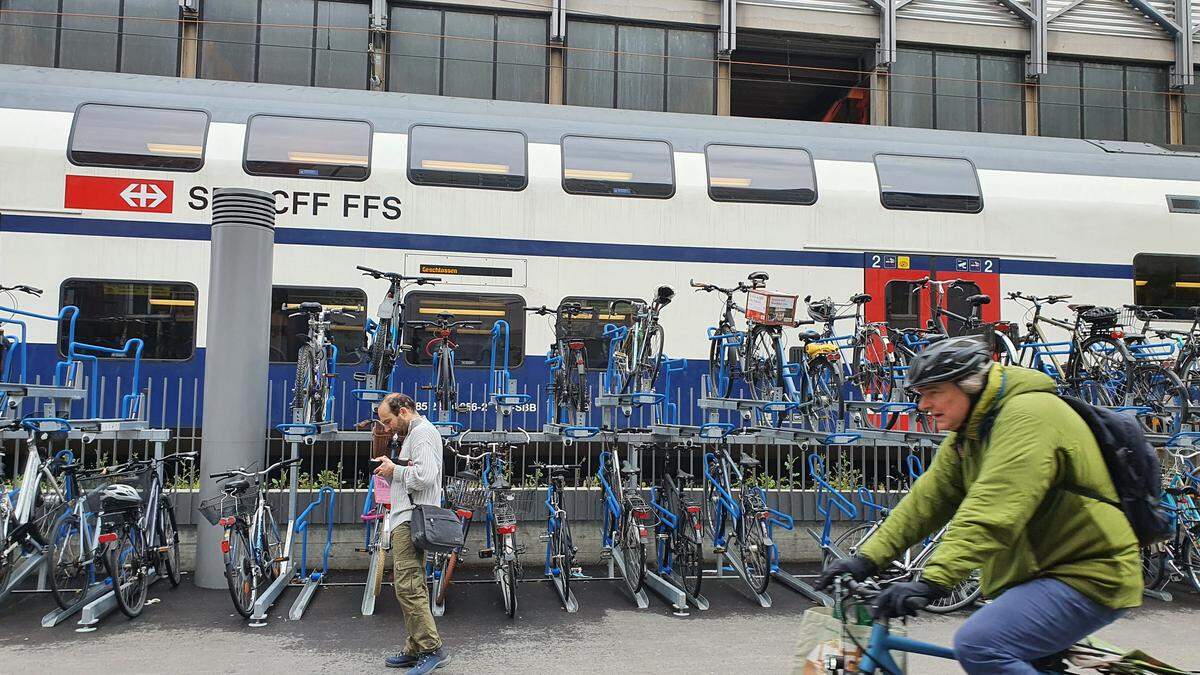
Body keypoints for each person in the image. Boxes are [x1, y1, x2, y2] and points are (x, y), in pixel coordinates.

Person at [816, 336, 1142, 674]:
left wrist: (933, 583)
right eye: (920, 394)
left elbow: (992, 509)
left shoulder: (1029, 416)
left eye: (934, 392)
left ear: (970, 386)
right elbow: (924, 503)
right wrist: (865, 560)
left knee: (981, 645)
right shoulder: (970, 434)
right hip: (1036, 574)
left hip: (1087, 572)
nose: (922, 405)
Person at [372, 393, 450, 673]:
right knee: (409, 584)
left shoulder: (422, 434)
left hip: (412, 518)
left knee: (409, 585)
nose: (387, 428)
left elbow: (426, 476)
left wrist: (395, 470)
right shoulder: (416, 434)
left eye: (389, 421)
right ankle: (415, 647)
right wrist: (393, 470)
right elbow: (415, 472)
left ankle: (431, 649)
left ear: (403, 411)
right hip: (408, 517)